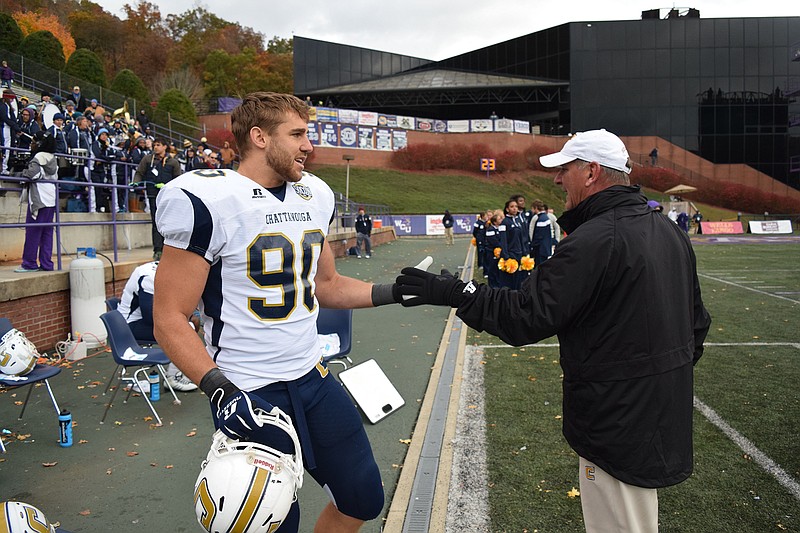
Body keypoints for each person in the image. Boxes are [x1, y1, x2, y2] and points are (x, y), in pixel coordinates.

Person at [394, 129, 712, 533]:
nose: (557, 179)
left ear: (592, 171)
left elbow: (525, 315)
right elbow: (697, 324)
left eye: (564, 169)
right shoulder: (667, 230)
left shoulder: (597, 238)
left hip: (617, 420)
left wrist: (455, 291)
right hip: (654, 411)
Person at [153, 92, 401, 532]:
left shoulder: (314, 194)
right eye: (298, 134)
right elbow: (169, 317)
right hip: (249, 390)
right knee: (270, 523)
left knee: (363, 498)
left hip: (312, 377)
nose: (309, 145)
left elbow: (329, 287)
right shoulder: (208, 199)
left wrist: (399, 291)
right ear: (259, 137)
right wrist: (220, 390)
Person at [116, 261, 198, 392]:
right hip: (128, 327)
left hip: (137, 321)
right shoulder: (149, 277)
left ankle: (179, 369)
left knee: (189, 323)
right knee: (185, 328)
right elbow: (150, 317)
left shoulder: (164, 269)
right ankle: (172, 377)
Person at [15, 131, 58, 273]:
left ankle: (29, 263)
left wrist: (20, 174)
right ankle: (46, 264)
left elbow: (33, 174)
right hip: (50, 197)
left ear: (39, 144)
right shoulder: (52, 157)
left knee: (33, 231)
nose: (32, 144)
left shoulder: (38, 157)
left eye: (34, 141)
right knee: (46, 232)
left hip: (39, 198)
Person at [132, 137, 181, 260]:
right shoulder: (148, 159)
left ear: (165, 147)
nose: (155, 147)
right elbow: (139, 172)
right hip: (153, 194)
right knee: (156, 222)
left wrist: (168, 186)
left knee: (169, 222)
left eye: (158, 145)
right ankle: (158, 250)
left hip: (168, 196)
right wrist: (136, 182)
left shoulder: (173, 162)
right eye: (154, 145)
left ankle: (169, 249)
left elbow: (178, 179)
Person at [529, 199, 553, 268]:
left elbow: (539, 236)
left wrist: (532, 245)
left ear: (536, 208)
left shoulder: (541, 219)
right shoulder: (545, 217)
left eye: (532, 208)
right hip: (545, 248)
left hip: (541, 250)